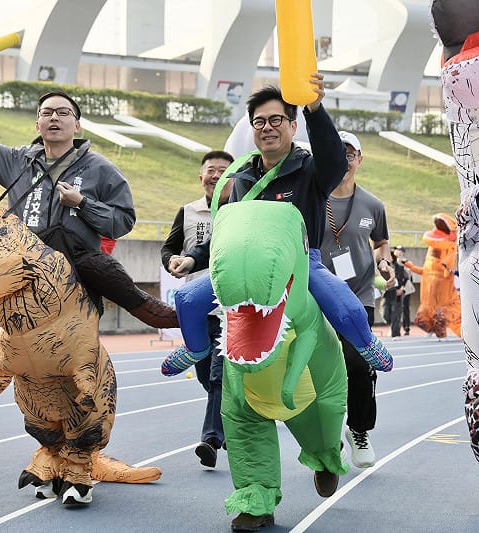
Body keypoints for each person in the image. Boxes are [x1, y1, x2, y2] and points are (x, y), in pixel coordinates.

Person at [0, 60, 178, 361]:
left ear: (77, 125)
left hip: (75, 262)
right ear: (37, 125)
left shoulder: (102, 169)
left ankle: (144, 307)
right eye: (46, 113)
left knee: (101, 266)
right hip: (23, 259)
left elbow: (122, 221)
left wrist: (83, 204)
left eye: (63, 113)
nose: (54, 118)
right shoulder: (19, 161)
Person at [167, 81, 392, 369]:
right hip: (246, 262)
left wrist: (314, 108)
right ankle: (196, 348)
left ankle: (366, 343)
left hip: (299, 264)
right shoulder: (242, 179)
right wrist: (192, 258)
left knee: (347, 309)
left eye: (276, 120)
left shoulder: (310, 169)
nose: (267, 127)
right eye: (259, 122)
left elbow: (335, 162)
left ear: (293, 126)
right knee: (186, 299)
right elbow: (229, 236)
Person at [319, 130, 394, 468]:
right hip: (316, 294)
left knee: (359, 364)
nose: (346, 160)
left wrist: (385, 263)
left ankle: (359, 430)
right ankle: (325, 434)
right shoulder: (312, 198)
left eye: (351, 154)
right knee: (319, 367)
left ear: (360, 160)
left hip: (358, 295)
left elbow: (381, 243)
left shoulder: (373, 205)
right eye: (339, 153)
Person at [161, 150, 234, 468]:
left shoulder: (242, 211)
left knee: (219, 373)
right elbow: (169, 246)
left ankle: (211, 438)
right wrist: (172, 260)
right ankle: (229, 420)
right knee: (205, 374)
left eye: (223, 170)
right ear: (201, 176)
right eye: (210, 170)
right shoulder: (188, 211)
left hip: (230, 304)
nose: (216, 175)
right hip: (196, 304)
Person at [382, 248, 408, 339]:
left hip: (397, 293)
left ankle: (396, 333)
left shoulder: (400, 267)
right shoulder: (383, 267)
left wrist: (402, 289)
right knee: (385, 314)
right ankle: (392, 326)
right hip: (387, 294)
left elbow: (406, 279)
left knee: (396, 314)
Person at [394, 245, 413, 335]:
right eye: (397, 250)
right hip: (397, 286)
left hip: (406, 287)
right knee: (396, 308)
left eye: (400, 250)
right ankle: (395, 328)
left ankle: (406, 327)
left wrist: (402, 263)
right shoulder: (393, 262)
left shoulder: (408, 262)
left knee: (405, 307)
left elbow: (408, 274)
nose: (398, 252)